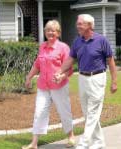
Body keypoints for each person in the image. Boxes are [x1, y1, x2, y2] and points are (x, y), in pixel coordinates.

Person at [55, 14, 117, 149]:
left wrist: (114, 81)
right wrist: (60, 71)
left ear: (89, 25)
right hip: (82, 78)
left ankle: (83, 144)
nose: (77, 26)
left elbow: (111, 61)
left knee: (93, 112)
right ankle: (99, 142)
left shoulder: (101, 40)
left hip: (97, 78)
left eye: (80, 24)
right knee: (87, 113)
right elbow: (70, 60)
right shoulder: (77, 41)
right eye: (77, 23)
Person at [22, 20, 75, 149]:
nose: (50, 33)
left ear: (58, 33)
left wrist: (62, 76)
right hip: (43, 86)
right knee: (39, 112)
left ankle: (71, 136)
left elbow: (69, 68)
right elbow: (37, 65)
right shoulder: (42, 46)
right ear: (45, 32)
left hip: (59, 86)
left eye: (53, 30)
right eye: (48, 30)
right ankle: (34, 143)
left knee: (64, 111)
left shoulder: (63, 47)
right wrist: (29, 78)